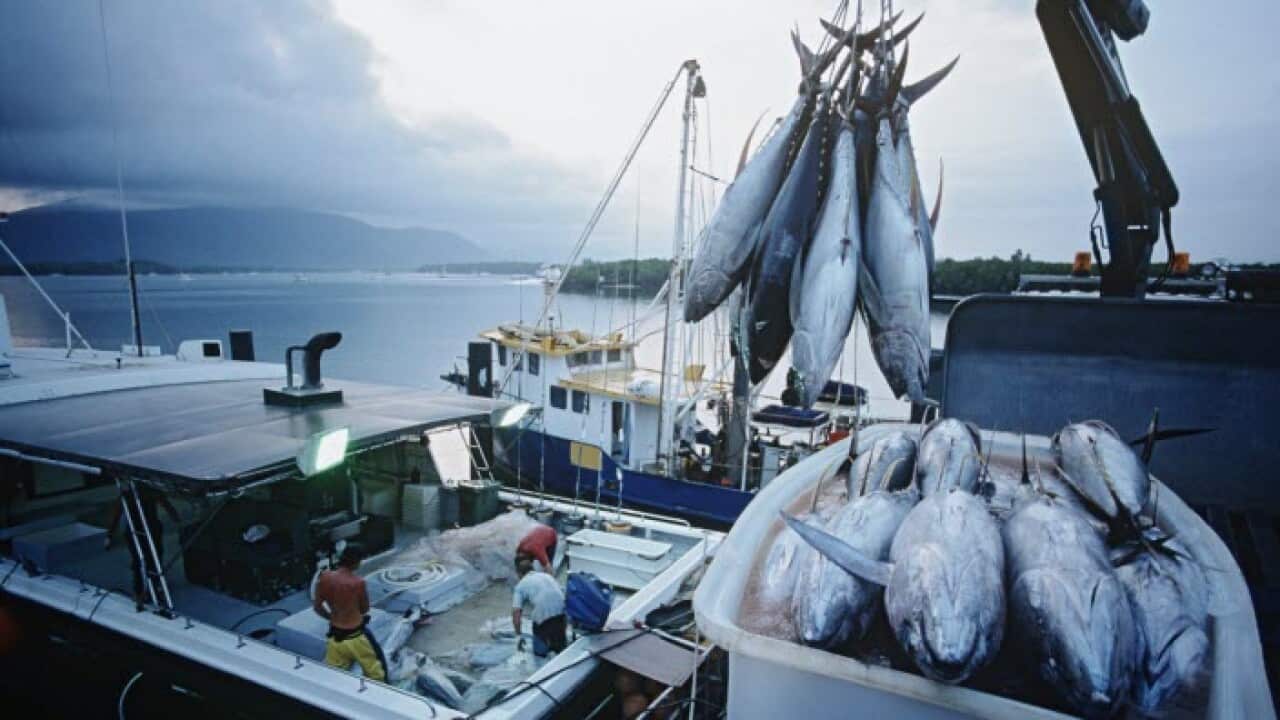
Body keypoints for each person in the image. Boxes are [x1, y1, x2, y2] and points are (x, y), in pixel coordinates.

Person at [313, 546, 387, 682]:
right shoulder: (358, 583)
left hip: (335, 637)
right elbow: (364, 610)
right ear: (357, 562)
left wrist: (331, 617)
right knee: (377, 673)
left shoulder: (324, 577)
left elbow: (317, 608)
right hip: (357, 637)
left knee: (335, 675)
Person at [106, 483, 182, 611]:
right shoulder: (132, 494)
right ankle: (142, 591)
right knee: (144, 559)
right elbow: (117, 514)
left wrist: (109, 535)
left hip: (148, 529)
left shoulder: (135, 493)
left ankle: (151, 588)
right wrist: (109, 535)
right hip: (140, 530)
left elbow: (116, 515)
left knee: (151, 558)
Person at [512, 556, 567, 657]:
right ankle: (558, 647)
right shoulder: (547, 576)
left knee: (539, 653)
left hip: (543, 620)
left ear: (519, 574)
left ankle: (542, 650)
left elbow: (516, 615)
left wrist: (518, 636)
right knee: (560, 649)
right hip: (562, 615)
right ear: (533, 569)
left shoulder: (520, 586)